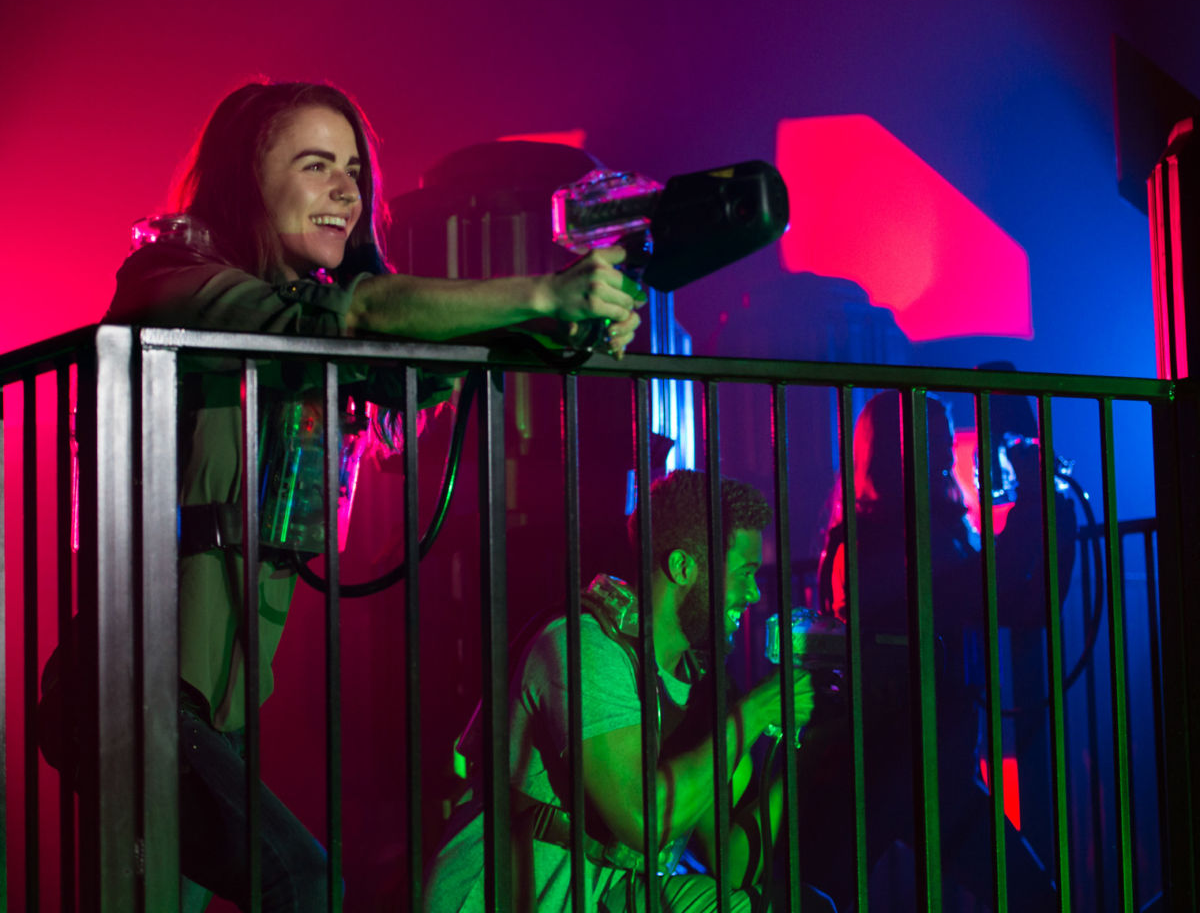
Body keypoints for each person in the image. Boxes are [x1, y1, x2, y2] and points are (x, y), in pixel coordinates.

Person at [102, 79, 645, 912]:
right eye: (316, 165)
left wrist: (568, 324)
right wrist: (541, 294)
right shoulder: (168, 276)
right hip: (130, 690)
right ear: (249, 181)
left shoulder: (305, 329)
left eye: (354, 169)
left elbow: (398, 354)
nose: (347, 191)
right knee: (303, 882)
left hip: (220, 711)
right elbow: (341, 321)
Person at [424, 468, 815, 913]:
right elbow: (644, 820)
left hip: (602, 895)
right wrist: (751, 715)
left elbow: (733, 866)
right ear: (683, 567)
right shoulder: (585, 648)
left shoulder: (696, 684)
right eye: (744, 573)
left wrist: (798, 752)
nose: (753, 593)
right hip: (505, 896)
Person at [804, 390, 1056, 911]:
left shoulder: (925, 528)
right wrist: (1034, 497)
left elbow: (1013, 600)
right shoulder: (876, 538)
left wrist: (1040, 506)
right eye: (935, 437)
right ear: (900, 448)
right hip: (889, 766)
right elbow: (985, 587)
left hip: (932, 766)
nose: (947, 450)